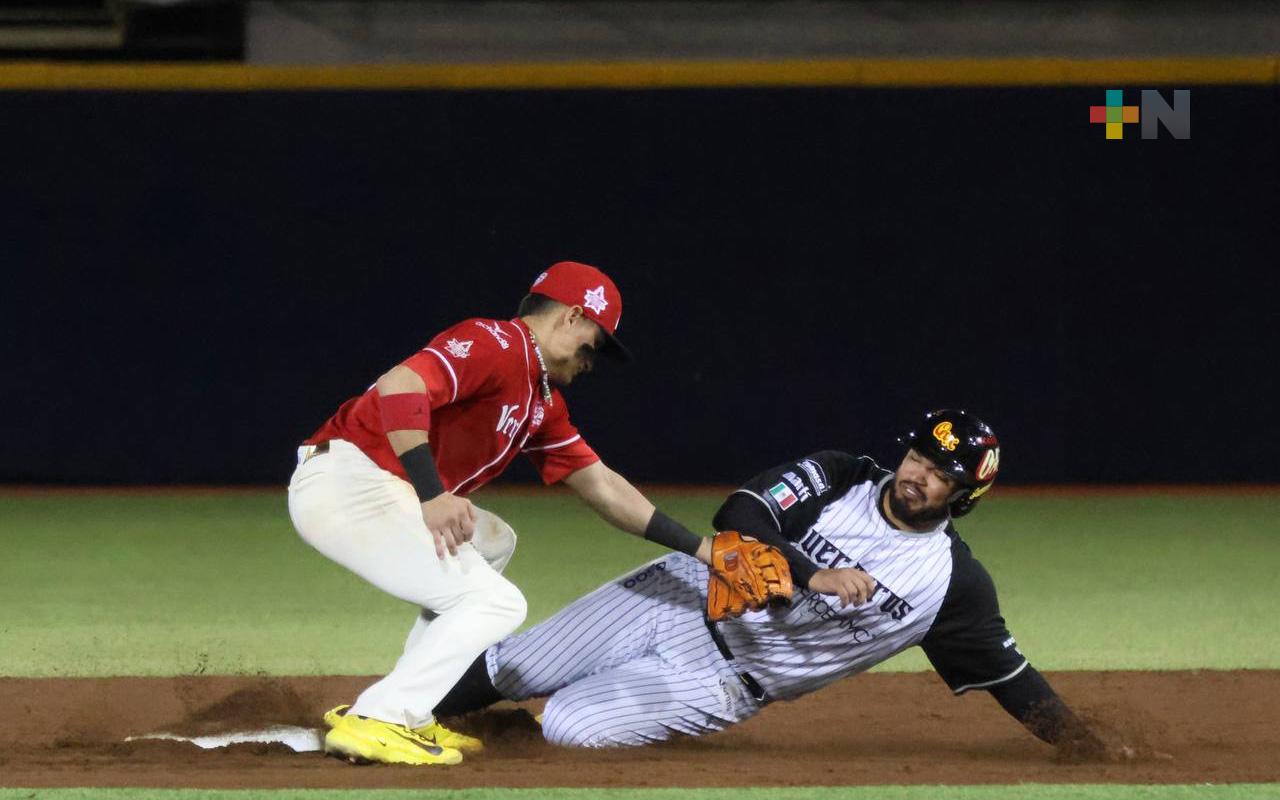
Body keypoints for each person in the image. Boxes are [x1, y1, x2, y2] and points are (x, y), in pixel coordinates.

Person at [434, 409, 1105, 755]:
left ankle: (513, 732)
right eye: (918, 455)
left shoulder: (952, 586)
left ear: (965, 495)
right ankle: (401, 718)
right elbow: (740, 514)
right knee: (517, 660)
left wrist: (1088, 747)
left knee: (570, 730)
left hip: (728, 681)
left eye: (940, 473)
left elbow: (1010, 677)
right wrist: (815, 574)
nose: (918, 473)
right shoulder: (841, 474)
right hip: (682, 592)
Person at [287, 261, 729, 766]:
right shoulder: (495, 344)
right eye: (597, 341)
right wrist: (433, 495)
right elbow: (399, 384)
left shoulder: (541, 399)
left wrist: (701, 548)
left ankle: (410, 708)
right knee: (498, 604)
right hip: (348, 480)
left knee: (491, 541)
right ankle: (381, 716)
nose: (594, 359)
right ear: (571, 317)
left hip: (379, 487)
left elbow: (604, 488)